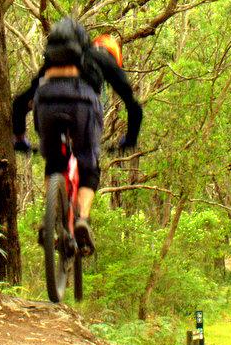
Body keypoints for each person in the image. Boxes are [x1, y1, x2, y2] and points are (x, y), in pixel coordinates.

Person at [11, 16, 142, 256]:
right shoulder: (100, 58)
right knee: (88, 165)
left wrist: (20, 138)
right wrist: (129, 138)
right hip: (82, 105)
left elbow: (20, 103)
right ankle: (81, 218)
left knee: (53, 163)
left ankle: (51, 218)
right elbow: (132, 104)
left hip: (46, 101)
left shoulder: (49, 66)